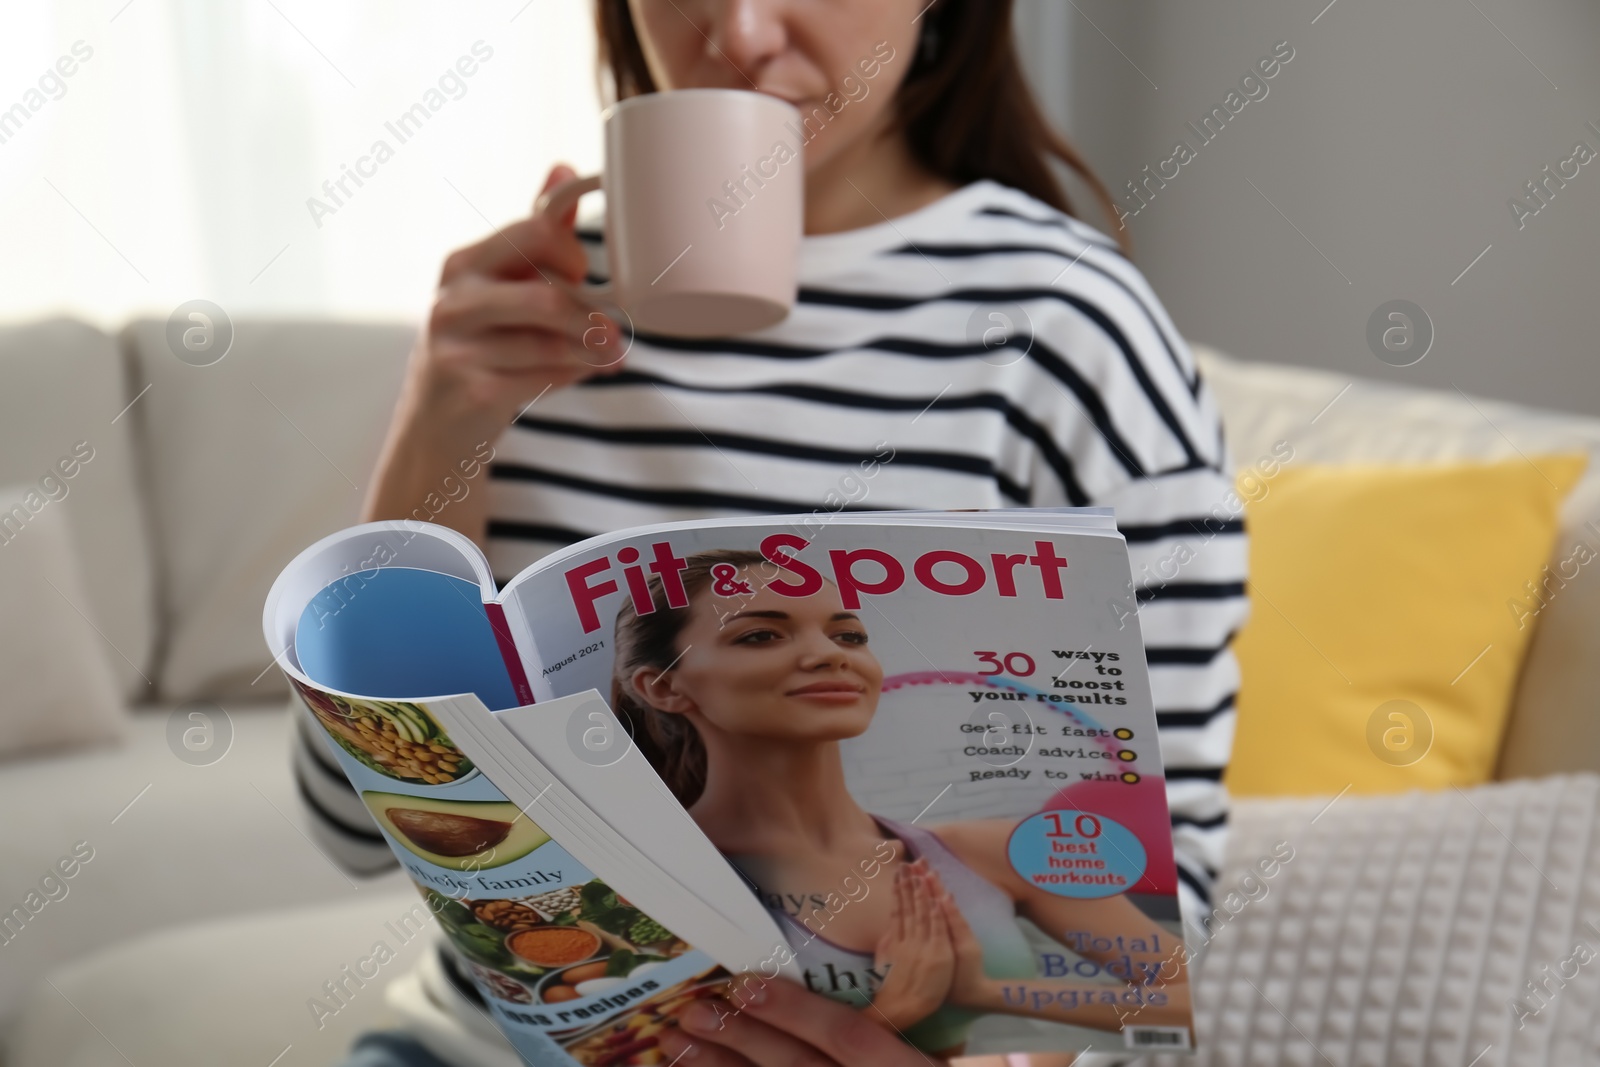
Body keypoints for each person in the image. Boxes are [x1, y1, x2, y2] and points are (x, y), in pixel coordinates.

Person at [291, 1, 1247, 1064]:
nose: (740, 35)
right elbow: (352, 824)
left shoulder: (1071, 328)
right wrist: (438, 422)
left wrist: (973, 1028)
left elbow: (1169, 946)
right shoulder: (532, 312)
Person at [609, 549, 1193, 1058]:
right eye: (760, 634)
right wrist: (889, 1016)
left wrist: (986, 992)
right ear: (664, 687)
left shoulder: (993, 851)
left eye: (848, 635)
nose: (829, 655)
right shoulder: (640, 883)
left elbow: (1190, 1000)